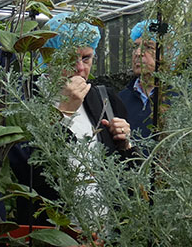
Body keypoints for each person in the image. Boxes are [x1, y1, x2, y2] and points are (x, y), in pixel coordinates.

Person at [46, 12, 133, 154]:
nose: (80, 68)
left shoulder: (104, 99)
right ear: (49, 59)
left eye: (86, 58)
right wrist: (64, 115)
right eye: (69, 59)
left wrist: (125, 143)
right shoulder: (28, 99)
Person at [118, 18, 165, 140]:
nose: (138, 53)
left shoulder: (180, 97)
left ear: (168, 54)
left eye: (148, 47)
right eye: (136, 46)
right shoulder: (120, 100)